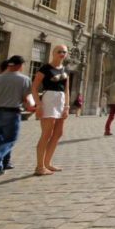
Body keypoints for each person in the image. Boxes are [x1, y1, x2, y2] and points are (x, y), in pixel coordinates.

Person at [0, 56, 33, 179]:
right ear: (20, 65)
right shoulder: (24, 79)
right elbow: (26, 99)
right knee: (10, 140)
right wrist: (31, 106)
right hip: (11, 113)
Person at [32, 46, 71, 176]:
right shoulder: (45, 68)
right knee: (46, 133)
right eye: (59, 51)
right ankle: (39, 166)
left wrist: (67, 106)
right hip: (49, 99)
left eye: (64, 52)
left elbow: (66, 90)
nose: (62, 54)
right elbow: (34, 87)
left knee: (58, 133)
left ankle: (47, 163)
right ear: (53, 53)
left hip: (61, 100)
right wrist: (38, 104)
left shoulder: (65, 70)